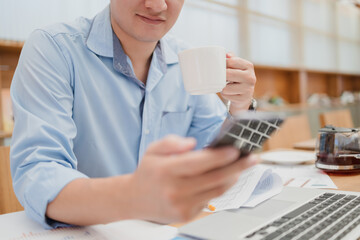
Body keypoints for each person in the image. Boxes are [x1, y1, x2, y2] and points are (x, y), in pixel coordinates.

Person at [10, 0, 257, 229]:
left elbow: (215, 153)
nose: (157, 5)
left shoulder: (187, 60)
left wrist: (240, 107)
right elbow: (38, 173)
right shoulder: (55, 47)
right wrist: (134, 197)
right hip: (88, 231)